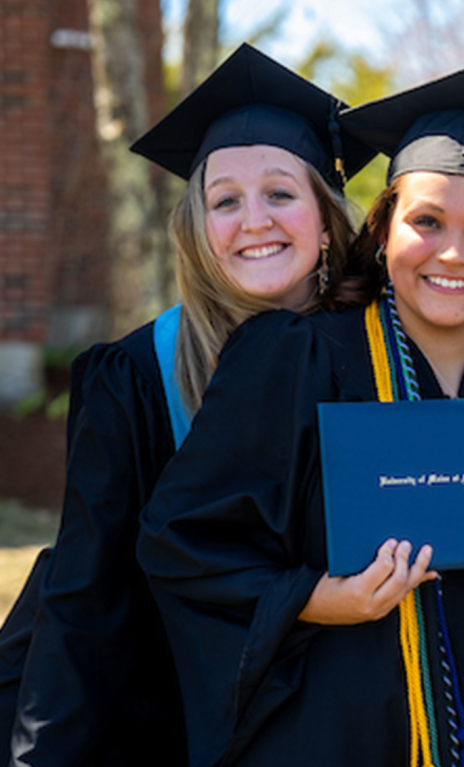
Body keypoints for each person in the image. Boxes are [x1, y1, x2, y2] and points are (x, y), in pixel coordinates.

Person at [136, 68, 464, 767]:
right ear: (382, 231)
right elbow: (182, 540)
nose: (453, 253)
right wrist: (319, 597)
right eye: (427, 221)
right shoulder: (296, 361)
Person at [0, 43, 374, 766]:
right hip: (157, 716)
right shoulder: (142, 373)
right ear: (199, 230)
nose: (253, 220)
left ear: (326, 217)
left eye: (280, 193)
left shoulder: (378, 360)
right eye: (224, 201)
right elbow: (85, 595)